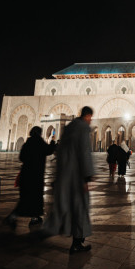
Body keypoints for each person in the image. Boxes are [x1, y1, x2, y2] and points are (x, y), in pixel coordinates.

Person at [42, 106, 95, 254]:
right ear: (87, 116)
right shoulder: (83, 127)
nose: (91, 121)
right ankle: (77, 242)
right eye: (90, 118)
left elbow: (59, 151)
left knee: (68, 206)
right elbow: (85, 152)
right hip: (77, 176)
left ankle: (54, 230)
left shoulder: (70, 126)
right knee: (80, 208)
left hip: (65, 175)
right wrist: (87, 176)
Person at [4, 126, 54, 229]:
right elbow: (49, 150)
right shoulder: (40, 142)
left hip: (26, 174)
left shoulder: (27, 143)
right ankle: (32, 218)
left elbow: (21, 157)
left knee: (26, 198)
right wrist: (53, 142)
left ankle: (21, 216)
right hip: (36, 176)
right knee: (35, 197)